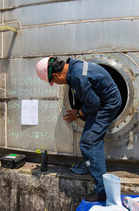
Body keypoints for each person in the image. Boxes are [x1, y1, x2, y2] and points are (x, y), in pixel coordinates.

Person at [36, 56, 122, 202]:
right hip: (104, 100)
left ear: (56, 75)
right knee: (91, 139)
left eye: (54, 81)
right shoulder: (73, 66)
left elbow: (93, 104)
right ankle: (92, 163)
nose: (56, 83)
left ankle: (102, 190)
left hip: (108, 105)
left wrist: (79, 113)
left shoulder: (77, 78)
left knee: (88, 143)